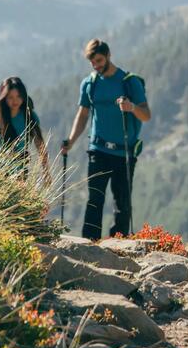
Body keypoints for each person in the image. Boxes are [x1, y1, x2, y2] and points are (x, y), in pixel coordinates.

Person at [60, 39, 151, 240]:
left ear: (108, 55)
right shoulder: (90, 84)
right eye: (92, 62)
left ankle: (118, 244)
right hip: (98, 150)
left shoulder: (129, 82)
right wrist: (71, 141)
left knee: (122, 204)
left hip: (124, 153)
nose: (96, 66)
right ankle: (89, 244)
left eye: (99, 60)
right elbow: (83, 115)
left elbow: (146, 114)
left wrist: (132, 108)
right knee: (95, 200)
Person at [0, 76, 51, 184]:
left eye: (18, 96)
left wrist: (46, 172)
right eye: (10, 97)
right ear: (3, 97)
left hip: (18, 176)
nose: (15, 101)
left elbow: (40, 146)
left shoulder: (29, 117)